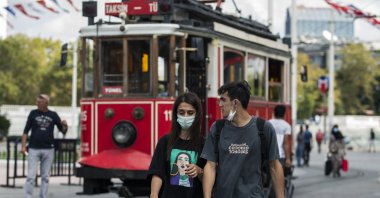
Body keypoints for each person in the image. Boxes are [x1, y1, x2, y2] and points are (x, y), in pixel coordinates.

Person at [201, 81, 284, 198]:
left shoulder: (264, 128)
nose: (219, 104)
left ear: (235, 103)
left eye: (223, 100)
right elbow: (210, 166)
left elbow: (275, 166)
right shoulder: (217, 128)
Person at [148, 92, 206, 198]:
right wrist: (154, 194)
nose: (185, 116)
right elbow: (157, 173)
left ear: (197, 115)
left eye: (190, 112)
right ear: (175, 114)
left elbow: (209, 180)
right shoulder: (165, 141)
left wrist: (199, 171)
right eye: (181, 112)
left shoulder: (204, 144)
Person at [21, 94, 68, 198]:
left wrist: (65, 125)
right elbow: (25, 131)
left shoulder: (53, 115)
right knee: (31, 176)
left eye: (39, 102)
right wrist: (23, 146)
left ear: (45, 103)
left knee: (45, 177)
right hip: (34, 148)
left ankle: (43, 196)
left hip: (48, 149)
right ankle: (28, 196)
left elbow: (63, 131)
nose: (36, 103)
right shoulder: (33, 113)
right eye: (36, 102)